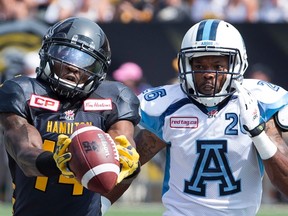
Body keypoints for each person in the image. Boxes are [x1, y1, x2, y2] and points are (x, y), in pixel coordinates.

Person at [134, 19, 288, 216]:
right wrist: (100, 205)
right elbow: (129, 167)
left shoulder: (259, 102)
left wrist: (258, 133)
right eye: (199, 65)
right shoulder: (167, 105)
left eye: (217, 65)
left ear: (237, 64)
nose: (208, 74)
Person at [0, 17, 140, 216]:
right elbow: (25, 154)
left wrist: (129, 162)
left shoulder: (115, 97)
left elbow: (124, 144)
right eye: (66, 55)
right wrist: (60, 161)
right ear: (48, 53)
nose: (74, 66)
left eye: (85, 60)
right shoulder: (22, 91)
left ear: (99, 69)